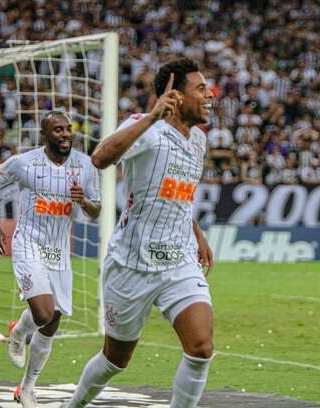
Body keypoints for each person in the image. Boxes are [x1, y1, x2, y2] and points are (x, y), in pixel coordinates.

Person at [63, 58, 215, 408]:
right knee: (115, 360)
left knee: (201, 347)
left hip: (178, 262)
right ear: (175, 96)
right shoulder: (145, 128)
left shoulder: (198, 142)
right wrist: (151, 117)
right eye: (201, 89)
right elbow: (99, 158)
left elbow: (178, 195)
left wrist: (197, 234)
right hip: (131, 264)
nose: (209, 96)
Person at [0, 111, 101, 407]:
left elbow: (96, 209)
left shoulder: (85, 166)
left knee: (52, 322)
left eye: (68, 129)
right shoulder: (25, 163)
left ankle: (27, 388)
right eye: (58, 130)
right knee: (43, 313)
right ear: (45, 135)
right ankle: (19, 331)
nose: (65, 134)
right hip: (28, 243)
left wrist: (82, 201)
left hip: (59, 251)